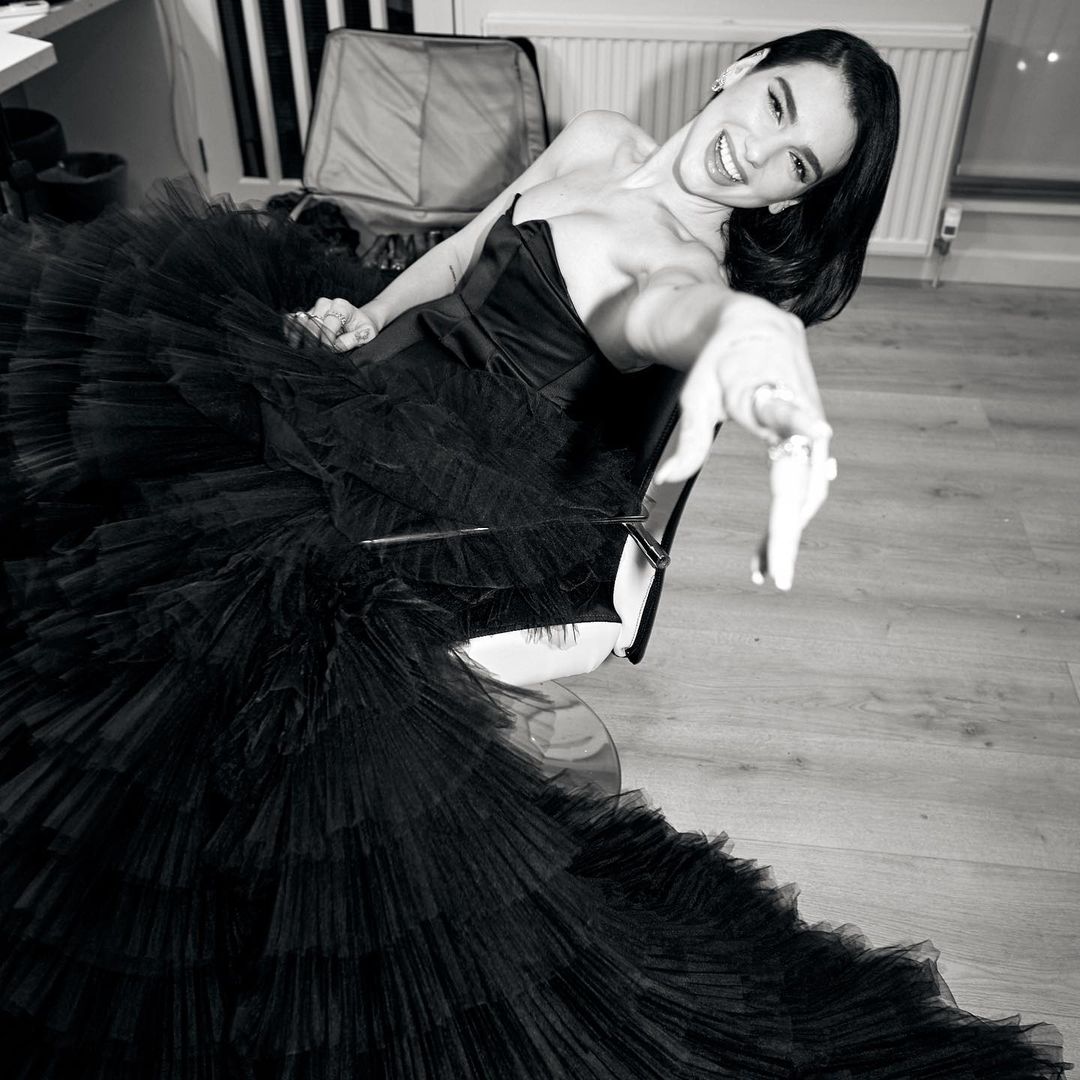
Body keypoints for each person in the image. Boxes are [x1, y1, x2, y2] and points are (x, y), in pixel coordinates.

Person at [0, 27, 1068, 1079]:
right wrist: (363, 317)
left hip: (457, 492)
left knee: (227, 594)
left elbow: (683, 315)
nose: (756, 151)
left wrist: (756, 337)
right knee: (123, 422)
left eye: (795, 165)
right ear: (742, 70)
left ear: (792, 201)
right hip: (376, 391)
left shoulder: (680, 263)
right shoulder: (597, 139)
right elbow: (462, 254)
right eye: (777, 105)